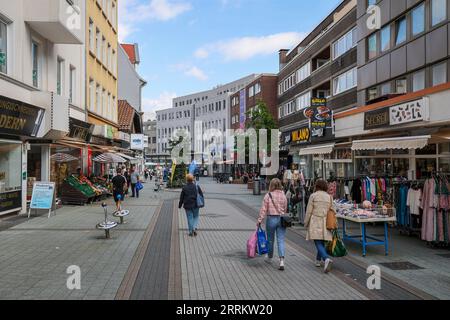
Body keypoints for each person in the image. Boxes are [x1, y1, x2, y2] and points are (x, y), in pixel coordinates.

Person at [257, 178, 288, 271]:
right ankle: (281, 260)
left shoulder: (268, 195)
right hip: (281, 219)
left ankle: (270, 257)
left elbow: (263, 209)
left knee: (270, 240)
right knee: (281, 240)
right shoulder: (283, 195)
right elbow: (285, 208)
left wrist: (259, 220)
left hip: (271, 218)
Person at [304, 179, 334, 273]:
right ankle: (317, 260)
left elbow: (309, 211)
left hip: (315, 220)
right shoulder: (329, 197)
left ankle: (326, 259)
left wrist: (306, 223)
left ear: (316, 186)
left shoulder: (313, 196)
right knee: (322, 241)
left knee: (317, 241)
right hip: (326, 221)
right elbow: (332, 210)